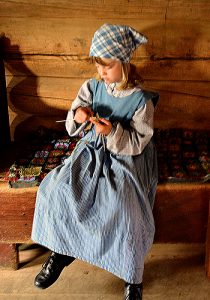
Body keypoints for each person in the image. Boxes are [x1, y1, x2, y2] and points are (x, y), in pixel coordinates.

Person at [31, 23, 159, 300]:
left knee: (124, 205)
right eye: (98, 65)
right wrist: (77, 116)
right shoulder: (92, 87)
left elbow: (139, 141)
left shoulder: (141, 100)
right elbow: (72, 124)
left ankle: (132, 276)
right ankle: (61, 251)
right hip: (90, 152)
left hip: (125, 156)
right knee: (57, 190)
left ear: (124, 62)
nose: (101, 72)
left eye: (107, 65)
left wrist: (112, 131)